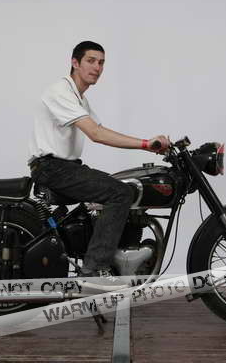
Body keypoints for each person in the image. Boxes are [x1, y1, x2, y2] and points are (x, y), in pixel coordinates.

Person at [28, 41, 169, 292]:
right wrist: (145, 144)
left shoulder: (79, 98)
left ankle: (110, 258)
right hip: (51, 168)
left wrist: (147, 144)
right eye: (91, 61)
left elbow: (102, 130)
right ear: (75, 63)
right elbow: (96, 134)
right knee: (120, 192)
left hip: (65, 167)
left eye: (101, 62)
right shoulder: (60, 91)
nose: (97, 67)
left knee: (122, 186)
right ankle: (93, 271)